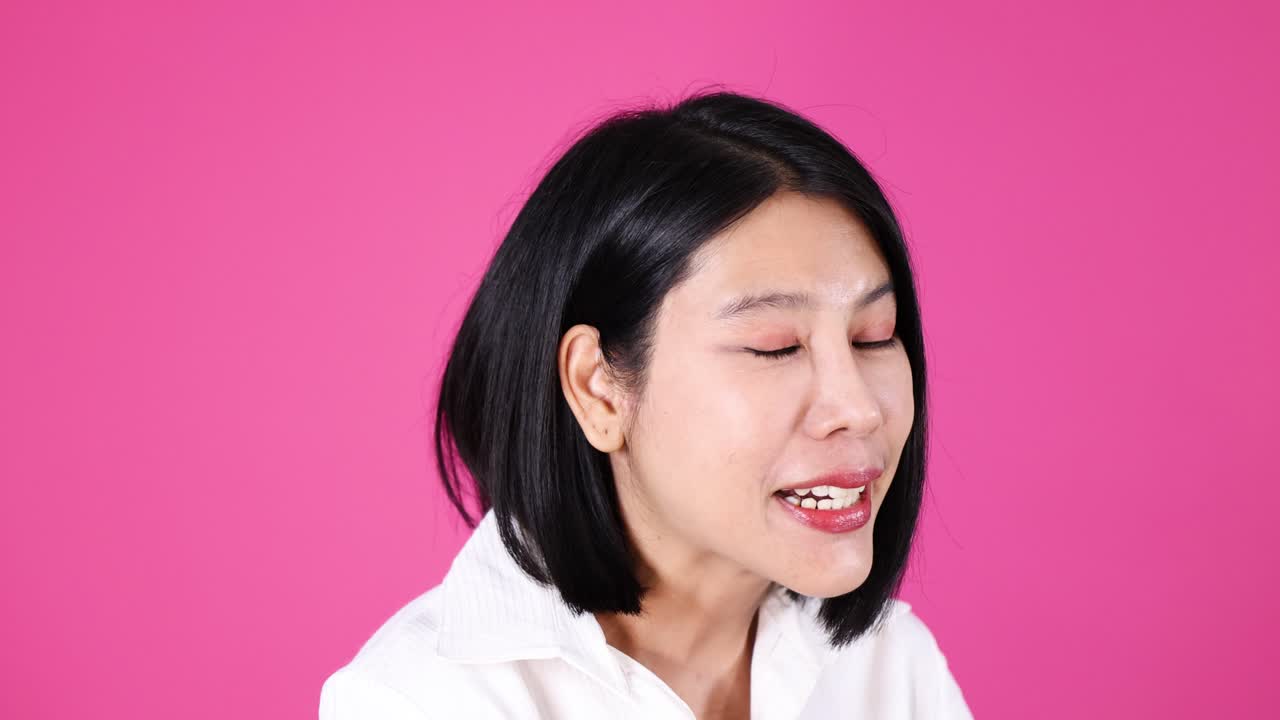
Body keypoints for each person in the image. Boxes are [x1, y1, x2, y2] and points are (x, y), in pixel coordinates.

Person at [319, 89, 974, 719]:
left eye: (874, 336)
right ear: (598, 388)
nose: (858, 408)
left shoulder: (889, 668)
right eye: (775, 346)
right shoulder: (418, 703)